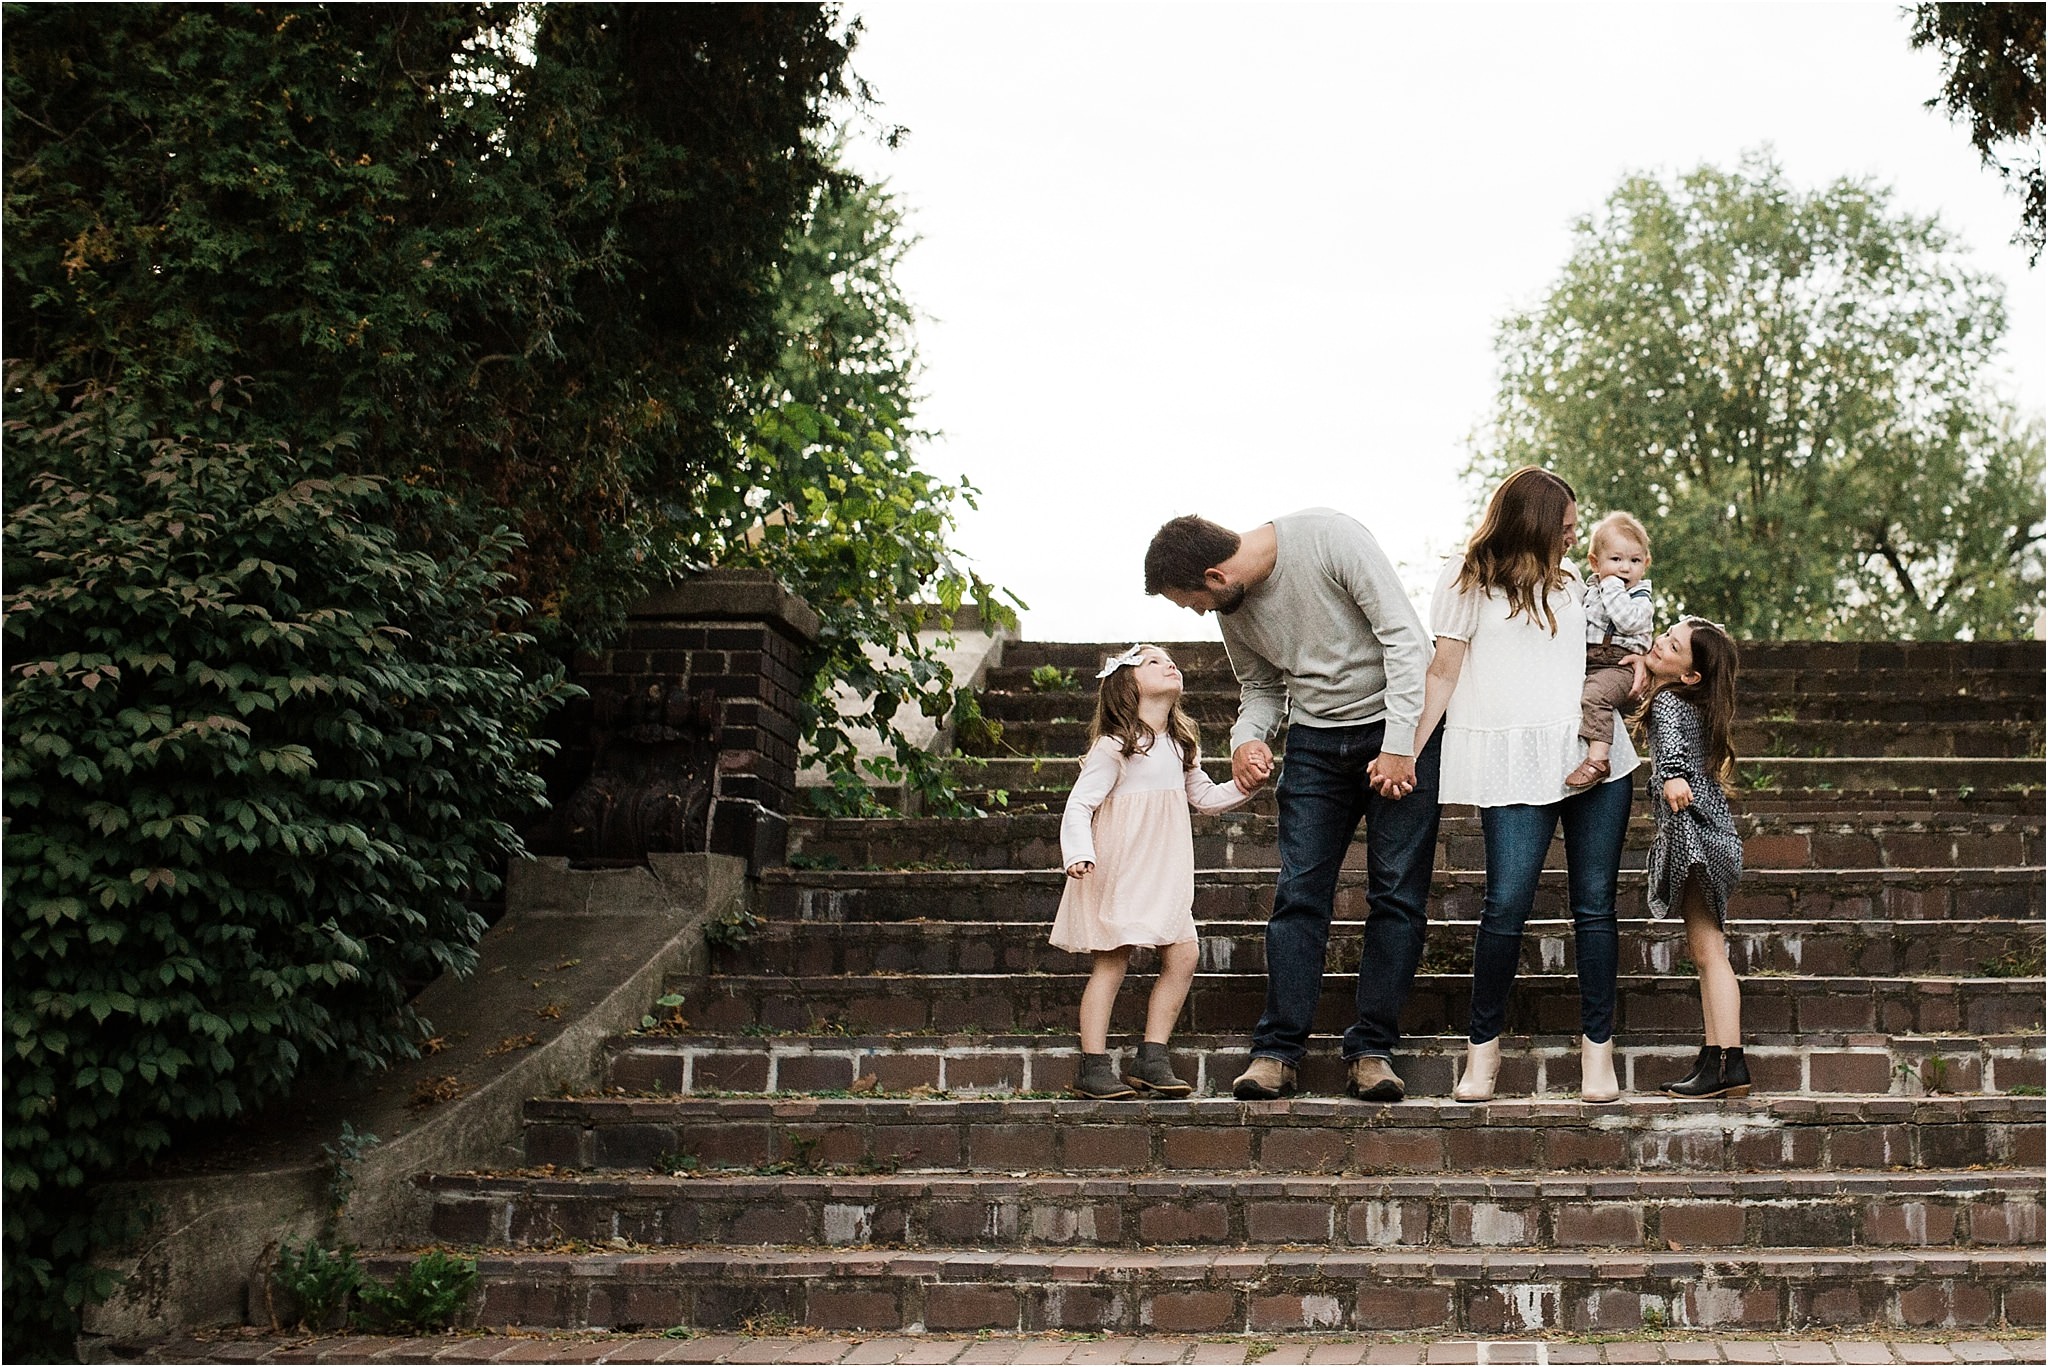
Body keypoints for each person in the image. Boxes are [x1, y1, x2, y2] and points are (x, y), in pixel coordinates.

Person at [1144, 509, 1440, 1103]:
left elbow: (1407, 641)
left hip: (1400, 730)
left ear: (1214, 575)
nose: (1200, 614)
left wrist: (1399, 746)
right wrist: (1246, 739)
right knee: (1299, 893)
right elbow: (1261, 689)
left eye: (1192, 602)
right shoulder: (1235, 605)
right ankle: (1277, 1051)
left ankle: (1373, 1050)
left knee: (1397, 895)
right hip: (1315, 744)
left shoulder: (1332, 539)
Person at [1408, 466, 1638, 1104]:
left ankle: (1598, 1054)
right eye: (1563, 529)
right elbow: (1443, 673)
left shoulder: (1579, 587)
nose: (1571, 540)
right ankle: (1483, 1055)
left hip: (1595, 761)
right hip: (1511, 760)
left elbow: (1620, 645)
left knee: (1595, 907)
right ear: (1532, 524)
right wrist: (1407, 750)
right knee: (1506, 905)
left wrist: (1638, 664)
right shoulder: (1466, 579)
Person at [1054, 643, 1254, 1100]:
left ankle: (1152, 1056)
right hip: (1121, 867)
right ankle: (1093, 1063)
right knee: (1112, 959)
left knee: (1183, 954)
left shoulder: (1181, 743)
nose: (1169, 664)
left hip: (1165, 867)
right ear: (1128, 683)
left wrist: (1244, 786)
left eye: (1170, 659)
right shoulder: (1113, 746)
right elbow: (1080, 804)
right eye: (1153, 661)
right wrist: (1078, 852)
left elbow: (1202, 797)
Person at [1637, 618, 1751, 1098]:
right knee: (1709, 955)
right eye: (1665, 632)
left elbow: (1672, 754)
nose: (1661, 641)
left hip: (1696, 842)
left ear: (1690, 676)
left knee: (1709, 955)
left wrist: (1672, 776)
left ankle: (1728, 1061)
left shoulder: (1668, 701)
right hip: (1712, 837)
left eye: (1674, 645)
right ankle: (1715, 1056)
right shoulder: (1690, 704)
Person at [1566, 512, 1655, 789]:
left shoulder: (1640, 597)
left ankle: (1599, 759)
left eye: (1635, 560)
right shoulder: (1589, 591)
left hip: (1619, 665)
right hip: (1590, 661)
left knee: (1595, 697)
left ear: (1646, 563)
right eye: (1616, 560)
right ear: (1595, 562)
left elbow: (1626, 622)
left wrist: (1612, 585)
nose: (1625, 568)